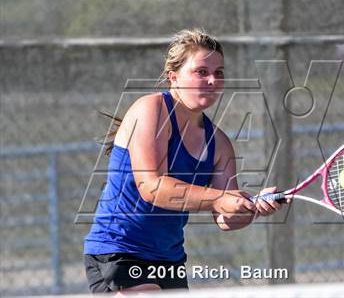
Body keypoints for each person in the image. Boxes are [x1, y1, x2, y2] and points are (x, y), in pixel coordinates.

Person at [83, 28, 288, 293]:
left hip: (169, 260)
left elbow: (224, 219)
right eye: (201, 72)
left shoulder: (220, 143)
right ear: (174, 77)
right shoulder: (151, 110)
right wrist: (219, 198)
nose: (213, 80)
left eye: (219, 73)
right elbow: (152, 187)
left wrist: (251, 207)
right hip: (120, 250)